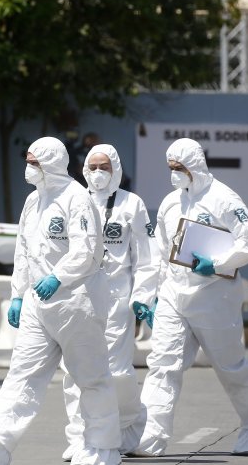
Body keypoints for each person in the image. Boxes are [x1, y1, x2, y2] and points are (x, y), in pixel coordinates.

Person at [0, 137, 121, 465]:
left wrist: (58, 277)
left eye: (34, 162)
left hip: (77, 301)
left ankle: (103, 448)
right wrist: (18, 295)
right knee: (22, 373)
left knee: (90, 376)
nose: (28, 168)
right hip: (38, 303)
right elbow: (23, 251)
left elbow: (87, 250)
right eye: (28, 161)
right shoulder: (33, 201)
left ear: (51, 163)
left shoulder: (76, 198)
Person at [130, 138, 248, 457]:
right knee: (162, 364)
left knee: (231, 367)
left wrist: (220, 264)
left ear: (195, 166)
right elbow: (160, 253)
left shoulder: (224, 199)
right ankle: (151, 435)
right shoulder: (170, 203)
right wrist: (150, 295)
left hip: (215, 297)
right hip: (173, 296)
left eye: (179, 168)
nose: (174, 174)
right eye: (170, 168)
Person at [59, 144, 160, 461]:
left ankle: (128, 426)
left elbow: (146, 258)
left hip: (117, 301)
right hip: (79, 299)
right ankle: (81, 436)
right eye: (93, 166)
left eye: (105, 166)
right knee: (75, 370)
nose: (98, 173)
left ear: (116, 168)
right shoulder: (73, 200)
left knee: (116, 371)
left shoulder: (132, 205)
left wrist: (143, 296)